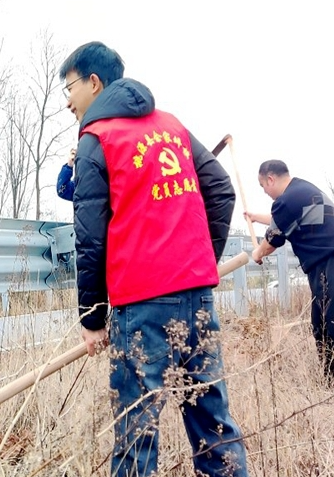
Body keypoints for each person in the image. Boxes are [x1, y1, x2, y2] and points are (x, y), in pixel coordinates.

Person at [63, 41, 248, 477]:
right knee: (213, 424)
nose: (67, 101)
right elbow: (220, 192)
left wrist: (92, 317)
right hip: (196, 298)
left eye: (69, 88)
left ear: (94, 82)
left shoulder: (96, 140)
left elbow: (89, 239)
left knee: (136, 433)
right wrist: (198, 266)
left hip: (141, 308)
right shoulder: (173, 126)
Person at [247, 160, 334, 384]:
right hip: (333, 264)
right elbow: (282, 221)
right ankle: (331, 384)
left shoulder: (287, 200)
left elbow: (272, 240)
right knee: (322, 327)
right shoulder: (300, 191)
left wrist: (258, 253)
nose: (264, 191)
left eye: (263, 185)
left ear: (270, 179)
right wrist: (255, 217)